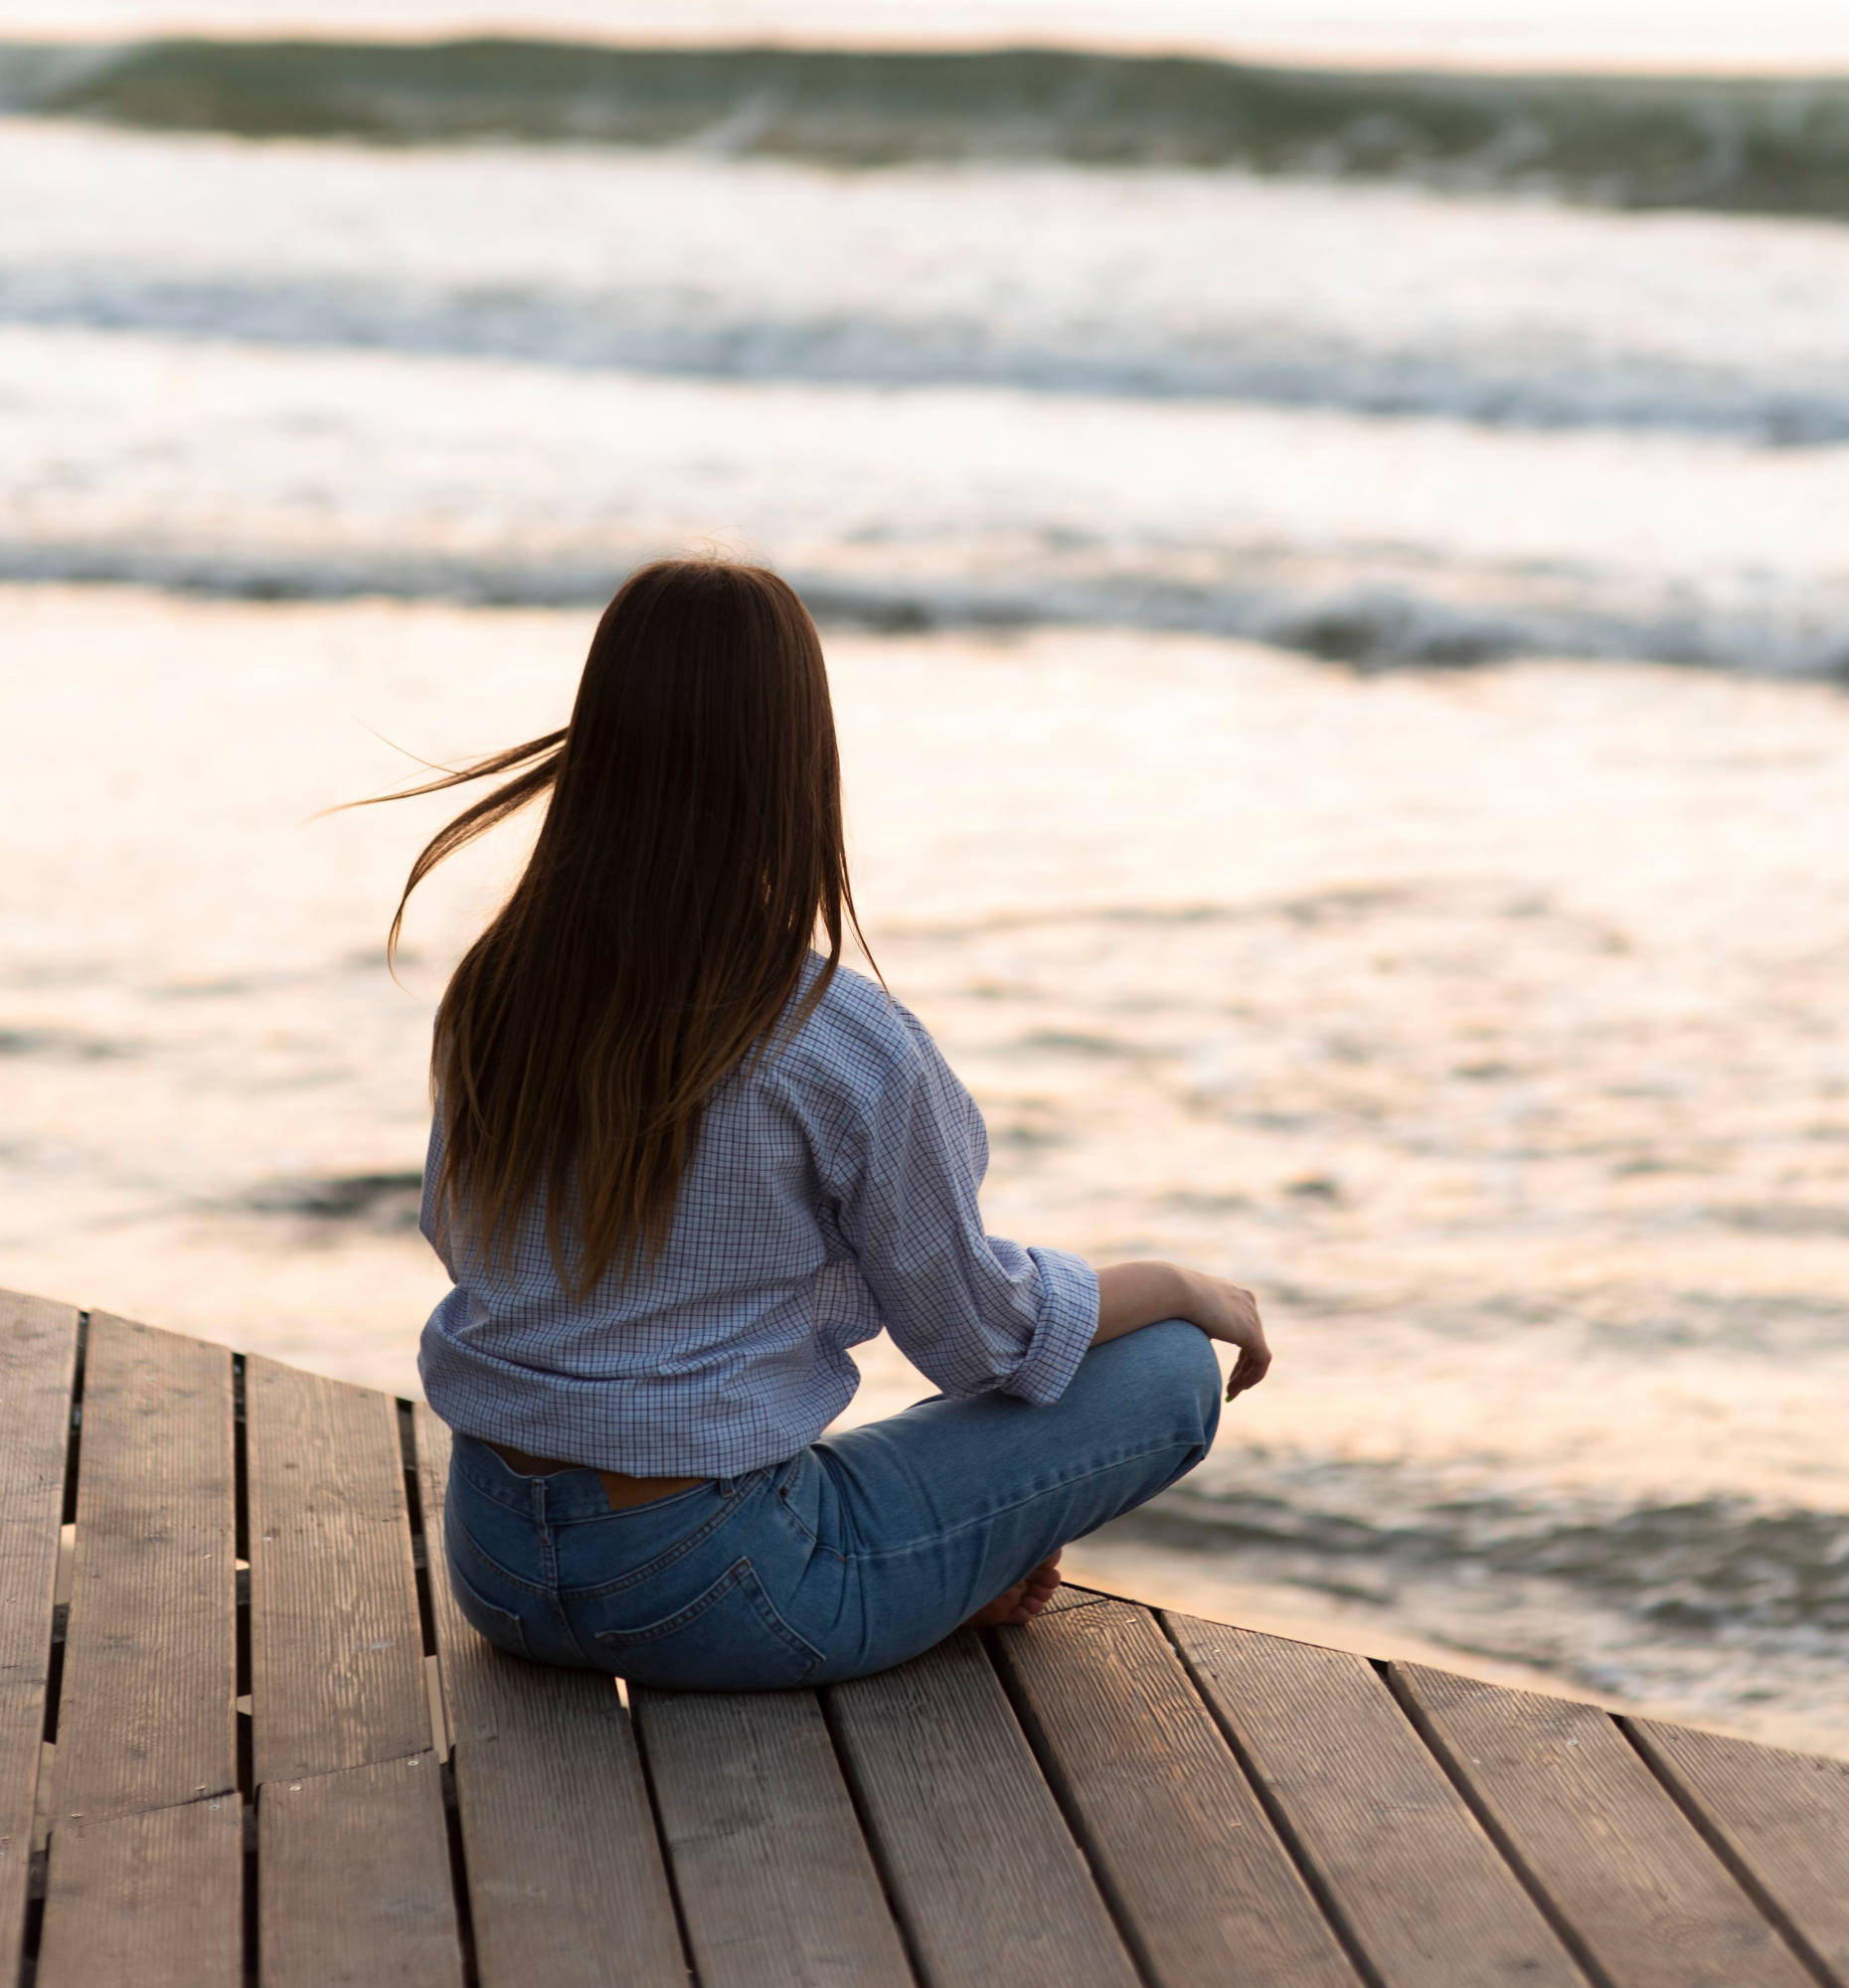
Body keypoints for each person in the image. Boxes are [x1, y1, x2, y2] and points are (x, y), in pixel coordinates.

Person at [357, 559, 1270, 1690]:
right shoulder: (838, 1037)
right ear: (793, 759)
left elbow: (463, 1242)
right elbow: (979, 1336)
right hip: (719, 1585)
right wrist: (1181, 1284)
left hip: (496, 1562)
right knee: (1168, 1372)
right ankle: (940, 1572)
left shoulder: (498, 987)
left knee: (771, 1419)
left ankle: (939, 1568)